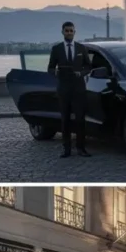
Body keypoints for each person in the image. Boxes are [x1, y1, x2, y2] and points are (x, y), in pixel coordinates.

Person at [47, 21, 92, 158]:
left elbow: (88, 67)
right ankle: (66, 149)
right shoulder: (56, 49)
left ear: (74, 32)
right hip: (64, 89)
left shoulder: (81, 48)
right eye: (67, 31)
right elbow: (50, 67)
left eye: (71, 31)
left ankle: (81, 148)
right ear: (62, 32)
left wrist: (81, 73)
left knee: (80, 120)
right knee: (65, 120)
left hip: (79, 89)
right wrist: (55, 72)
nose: (69, 33)